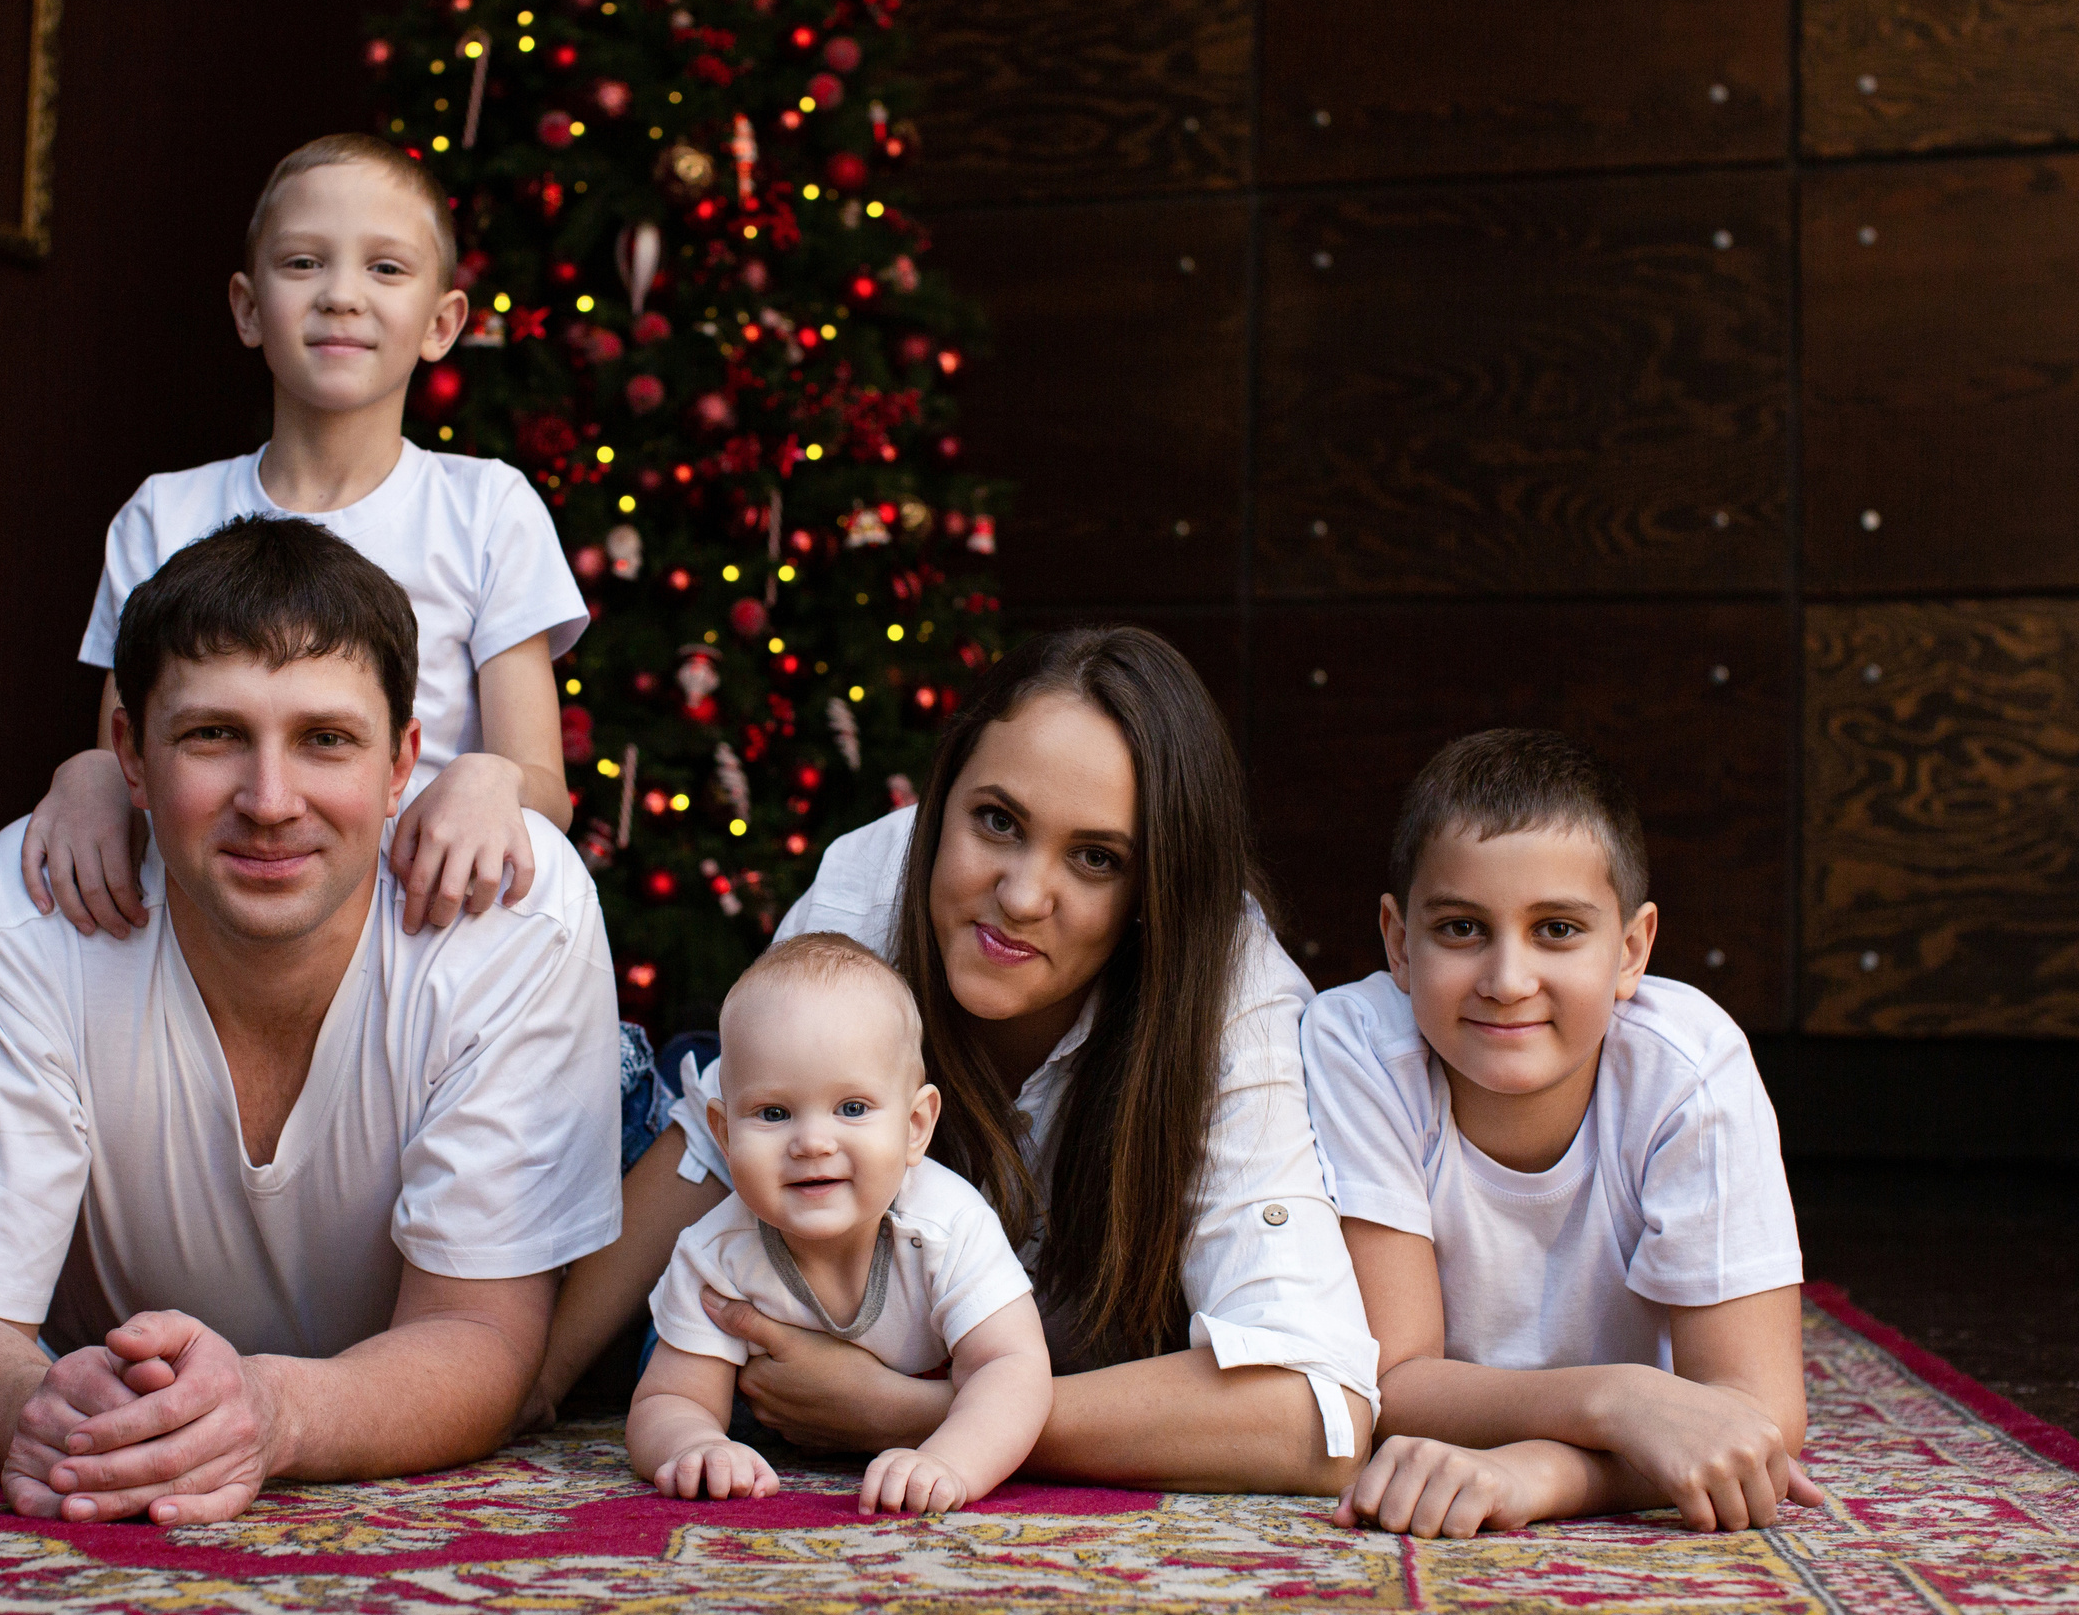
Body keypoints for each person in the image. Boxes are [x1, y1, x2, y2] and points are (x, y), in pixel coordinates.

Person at [0, 515, 621, 1526]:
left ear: (403, 766)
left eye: (325, 740)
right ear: (129, 753)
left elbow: (481, 1336)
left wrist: (273, 1412)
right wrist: (37, 1409)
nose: (268, 799)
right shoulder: (32, 904)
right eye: (213, 735)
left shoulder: (510, 911)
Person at [541, 626, 1382, 1492]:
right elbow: (716, 1142)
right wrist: (534, 1380)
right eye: (996, 821)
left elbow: (1319, 1417)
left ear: (1151, 889)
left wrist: (912, 1410)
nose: (1020, 896)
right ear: (943, 798)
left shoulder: (1227, 988)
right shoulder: (874, 880)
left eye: (1096, 858)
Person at [22, 133, 585, 941]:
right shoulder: (163, 514)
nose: (342, 295)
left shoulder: (487, 507)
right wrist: (86, 778)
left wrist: (490, 779)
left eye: (385, 268)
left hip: (421, 929)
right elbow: (131, 756)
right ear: (248, 309)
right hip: (220, 923)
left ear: (442, 322)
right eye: (303, 264)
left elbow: (545, 787)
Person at [1304, 729, 1820, 1539]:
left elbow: (1754, 1416)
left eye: (1557, 930)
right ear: (1400, 943)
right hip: (1609, 1415)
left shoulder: (1689, 1068)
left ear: (1632, 948)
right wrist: (1619, 1399)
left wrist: (1536, 1474)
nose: (1508, 982)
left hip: (1571, 1429)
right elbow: (1390, 1383)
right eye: (1462, 929)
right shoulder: (1359, 1046)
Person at [629, 934, 1052, 1515]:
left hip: (916, 1395)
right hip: (753, 1400)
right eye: (773, 1113)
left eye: (852, 1108)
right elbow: (670, 1397)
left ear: (914, 1126)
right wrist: (695, 1442)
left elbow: (1013, 1368)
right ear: (725, 1136)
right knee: (663, 1358)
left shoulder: (947, 1227)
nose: (813, 1143)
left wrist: (950, 1460)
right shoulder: (716, 1250)